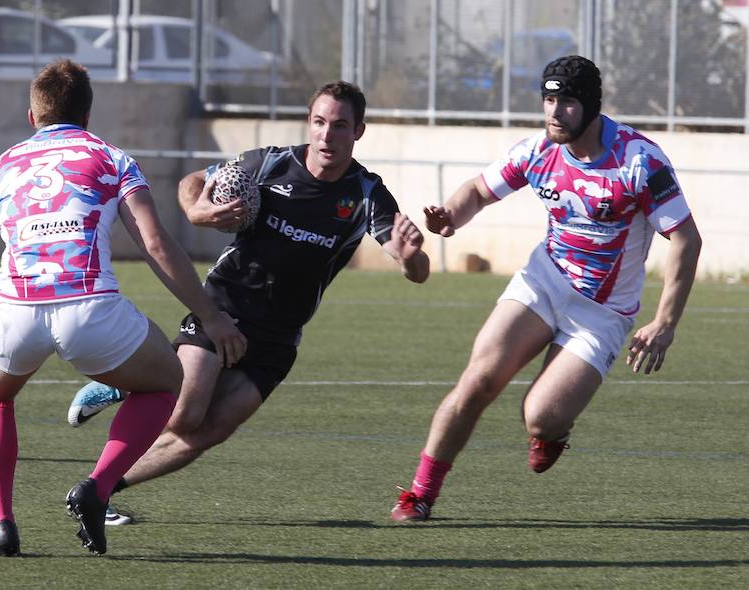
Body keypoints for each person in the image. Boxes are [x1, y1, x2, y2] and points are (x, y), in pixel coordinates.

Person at [0, 59, 246, 555]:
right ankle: (98, 484)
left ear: (32, 116)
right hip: (91, 311)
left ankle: (1, 523)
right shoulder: (111, 159)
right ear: (87, 114)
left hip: (15, 311)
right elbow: (155, 244)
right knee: (166, 382)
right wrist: (212, 316)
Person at [67, 80, 431, 522]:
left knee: (210, 431)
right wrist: (196, 210)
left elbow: (411, 265)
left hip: (280, 337)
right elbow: (194, 180)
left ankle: (95, 493)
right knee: (184, 416)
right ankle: (134, 381)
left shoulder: (367, 193)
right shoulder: (270, 163)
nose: (326, 135)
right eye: (319, 122)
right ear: (308, 123)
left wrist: (412, 258)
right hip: (224, 308)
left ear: (359, 132)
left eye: (339, 125)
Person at [390, 55, 702, 522]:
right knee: (478, 379)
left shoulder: (639, 161)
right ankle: (419, 495)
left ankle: (550, 432)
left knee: (541, 415)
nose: (555, 112)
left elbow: (685, 237)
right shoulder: (538, 150)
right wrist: (450, 217)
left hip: (602, 313)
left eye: (568, 101)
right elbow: (478, 189)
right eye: (549, 99)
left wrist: (665, 321)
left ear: (593, 106)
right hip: (544, 283)